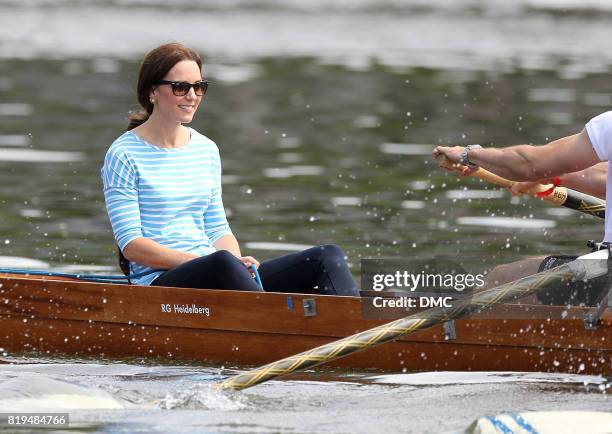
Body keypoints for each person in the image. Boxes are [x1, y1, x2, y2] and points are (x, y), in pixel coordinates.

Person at [101, 43, 359, 296]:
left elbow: (216, 228)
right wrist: (213, 262)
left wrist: (237, 263)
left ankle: (358, 333)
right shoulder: (123, 154)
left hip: (218, 270)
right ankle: (274, 326)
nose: (192, 96)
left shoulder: (206, 149)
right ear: (152, 91)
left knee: (328, 256)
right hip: (160, 282)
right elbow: (132, 246)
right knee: (222, 262)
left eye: (199, 87)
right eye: (181, 87)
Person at [432, 113, 612, 303]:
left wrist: (468, 155)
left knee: (499, 279)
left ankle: (449, 329)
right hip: (603, 266)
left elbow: (530, 165)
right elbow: (603, 179)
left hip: (606, 271)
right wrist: (554, 177)